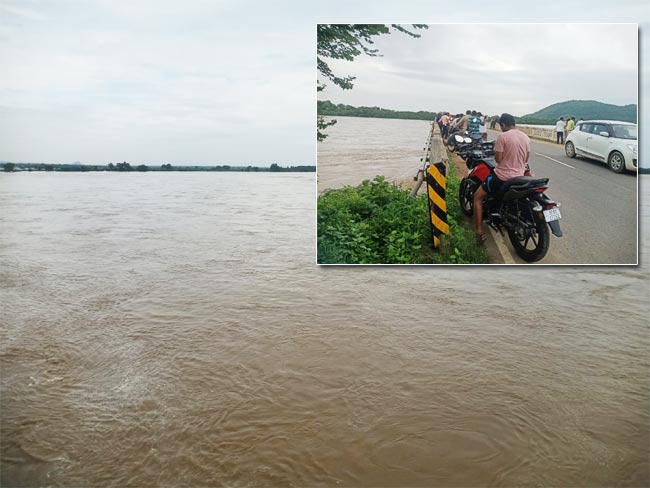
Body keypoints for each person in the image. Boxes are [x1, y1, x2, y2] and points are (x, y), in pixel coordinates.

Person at [473, 113, 530, 242]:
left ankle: (479, 232)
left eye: (501, 125)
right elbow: (526, 158)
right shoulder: (525, 137)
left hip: (503, 176)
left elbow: (498, 159)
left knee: (477, 196)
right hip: (520, 176)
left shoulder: (503, 137)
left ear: (503, 125)